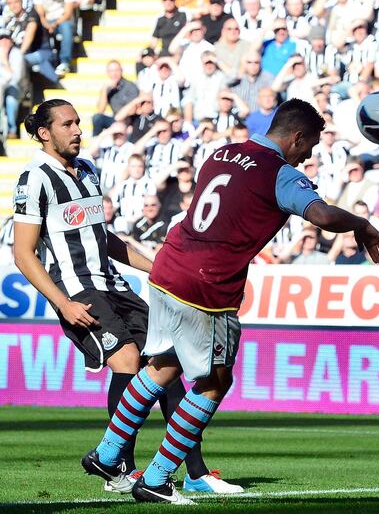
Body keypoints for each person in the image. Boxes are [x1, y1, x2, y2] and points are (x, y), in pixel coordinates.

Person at [82, 99, 379, 504]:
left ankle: (106, 454)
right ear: (296, 137)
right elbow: (325, 218)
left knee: (162, 366)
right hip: (207, 285)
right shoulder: (281, 174)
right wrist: (363, 225)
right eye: (310, 145)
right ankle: (156, 479)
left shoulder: (222, 152)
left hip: (168, 268)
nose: (310, 155)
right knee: (214, 381)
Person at [13, 100, 238, 496]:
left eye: (79, 123)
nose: (78, 130)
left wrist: (158, 269)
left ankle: (195, 471)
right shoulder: (34, 178)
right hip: (75, 288)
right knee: (129, 359)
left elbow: (105, 238)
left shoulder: (86, 171)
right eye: (68, 125)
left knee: (167, 358)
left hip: (114, 284)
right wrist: (62, 303)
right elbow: (23, 252)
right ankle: (121, 468)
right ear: (45, 133)